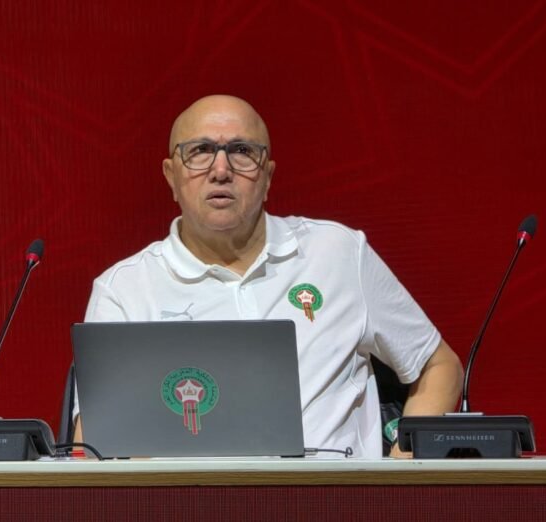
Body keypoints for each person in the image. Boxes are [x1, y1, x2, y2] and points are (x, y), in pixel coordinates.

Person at [74, 94, 463, 458]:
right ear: (171, 175)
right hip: (190, 498)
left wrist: (398, 473)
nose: (221, 170)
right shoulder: (124, 289)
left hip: (334, 496)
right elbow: (94, 442)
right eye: (200, 151)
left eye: (242, 151)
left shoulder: (338, 253)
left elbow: (439, 366)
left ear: (268, 177)